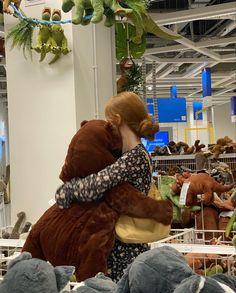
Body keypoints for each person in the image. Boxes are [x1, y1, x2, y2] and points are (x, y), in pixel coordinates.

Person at [55, 91, 165, 281]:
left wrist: (67, 190)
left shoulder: (134, 157)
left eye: (108, 122)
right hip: (126, 244)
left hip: (123, 248)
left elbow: (98, 183)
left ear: (117, 119)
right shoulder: (134, 155)